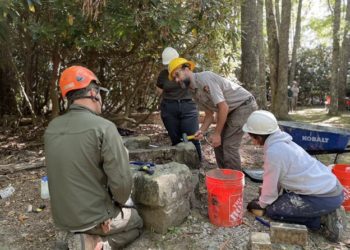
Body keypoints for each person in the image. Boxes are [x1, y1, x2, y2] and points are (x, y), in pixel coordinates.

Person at [44, 66, 143, 249]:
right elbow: (122, 187)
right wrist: (114, 209)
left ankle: (71, 238)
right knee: (136, 223)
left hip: (62, 218)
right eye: (100, 93)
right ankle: (95, 243)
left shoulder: (52, 128)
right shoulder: (104, 128)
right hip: (94, 218)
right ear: (93, 93)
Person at [243, 110, 346, 242]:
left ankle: (321, 219)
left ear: (259, 136)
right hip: (331, 188)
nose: (253, 141)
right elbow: (278, 179)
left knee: (275, 211)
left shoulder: (275, 152)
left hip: (324, 197)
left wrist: (261, 204)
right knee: (281, 201)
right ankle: (322, 211)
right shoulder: (283, 141)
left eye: (253, 137)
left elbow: (270, 183)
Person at [168, 58, 258, 170]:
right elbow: (209, 114)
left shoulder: (205, 78)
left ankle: (234, 183)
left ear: (186, 69)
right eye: (174, 78)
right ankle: (224, 176)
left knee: (229, 145)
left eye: (177, 74)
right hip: (231, 109)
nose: (177, 80)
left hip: (244, 105)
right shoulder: (193, 91)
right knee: (217, 144)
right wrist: (202, 130)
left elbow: (223, 107)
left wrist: (217, 134)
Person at [156, 48, 201, 159]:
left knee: (193, 138)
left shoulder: (186, 71)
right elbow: (159, 90)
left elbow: (195, 87)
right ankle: (180, 167)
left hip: (188, 107)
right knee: (176, 140)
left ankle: (197, 164)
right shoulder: (163, 74)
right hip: (169, 107)